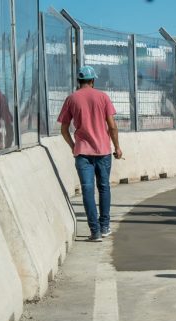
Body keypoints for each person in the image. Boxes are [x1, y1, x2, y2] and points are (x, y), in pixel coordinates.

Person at [58, 65, 121, 242]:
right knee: (104, 187)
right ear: (93, 81)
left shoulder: (71, 99)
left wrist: (73, 145)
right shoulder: (103, 97)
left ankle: (95, 232)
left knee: (87, 190)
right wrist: (117, 147)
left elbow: (63, 129)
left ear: (79, 81)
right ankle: (105, 226)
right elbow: (112, 126)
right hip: (103, 151)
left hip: (83, 152)